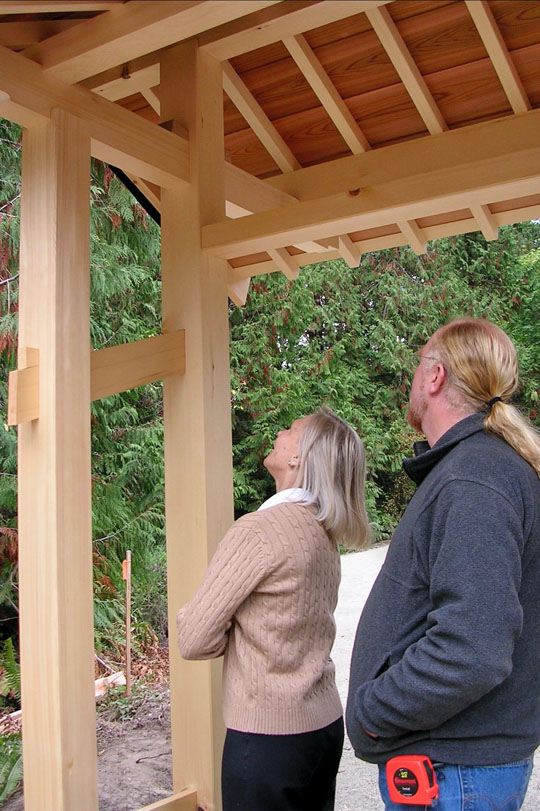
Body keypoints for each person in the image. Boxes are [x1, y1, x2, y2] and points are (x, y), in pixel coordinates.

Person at [346, 317, 540, 810]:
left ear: (434, 377)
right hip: (456, 769)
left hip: (452, 775)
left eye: (419, 364)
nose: (413, 377)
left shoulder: (475, 477)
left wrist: (373, 710)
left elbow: (473, 647)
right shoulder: (479, 467)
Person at [177, 406, 371, 811]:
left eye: (291, 428)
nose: (280, 432)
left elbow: (193, 638)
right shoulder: (323, 531)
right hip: (322, 728)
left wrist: (229, 623)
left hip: (268, 740)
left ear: (299, 456)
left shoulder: (259, 531)